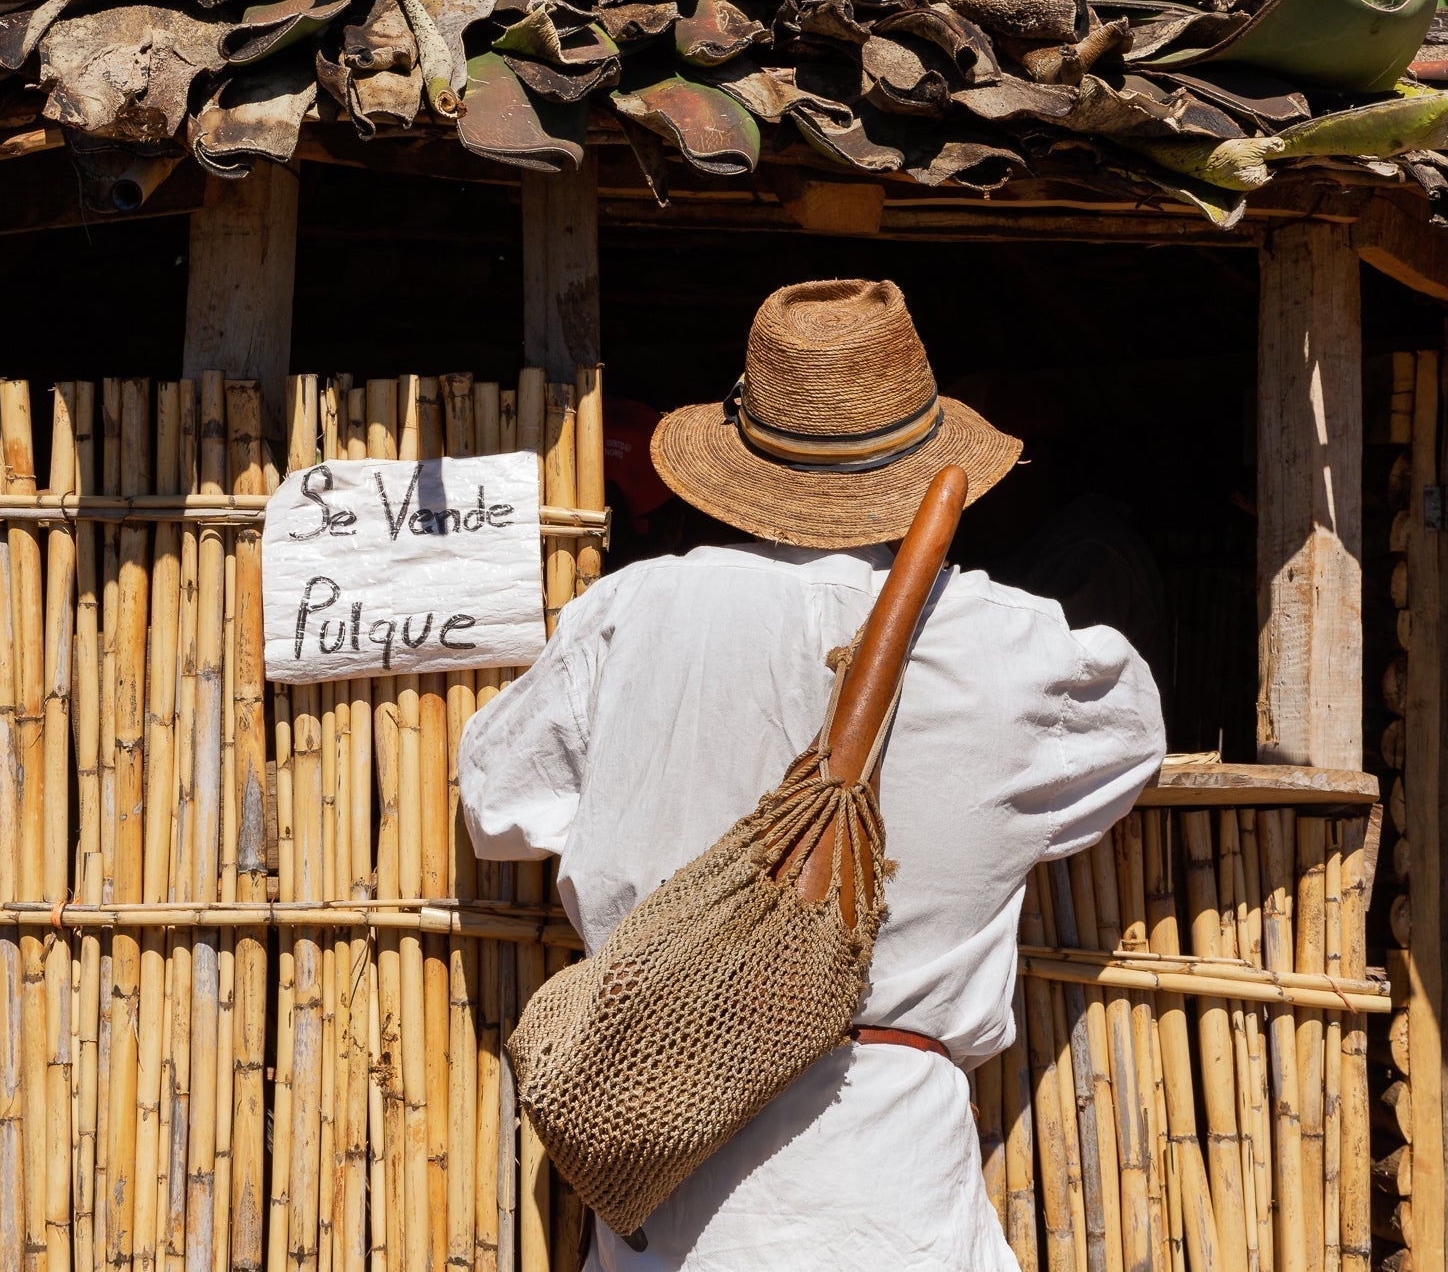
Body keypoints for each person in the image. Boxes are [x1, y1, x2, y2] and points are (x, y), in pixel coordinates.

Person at [458, 280, 1166, 1272]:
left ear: (738, 458)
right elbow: (1118, 764)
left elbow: (501, 806)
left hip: (664, 1172)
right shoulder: (1021, 648)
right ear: (934, 457)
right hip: (890, 1185)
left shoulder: (625, 617)